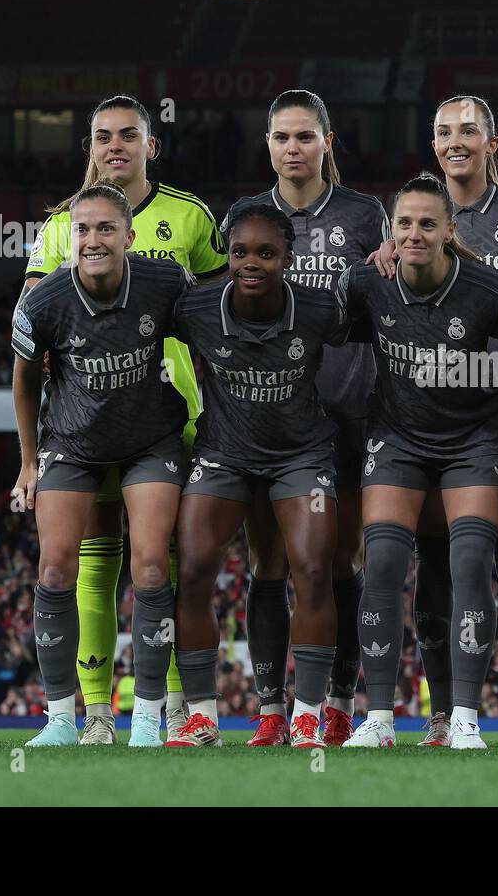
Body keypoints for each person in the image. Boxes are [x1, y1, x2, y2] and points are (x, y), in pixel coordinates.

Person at [21, 94, 227, 745]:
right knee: (85, 563)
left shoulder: (190, 216)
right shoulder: (58, 227)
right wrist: (29, 458)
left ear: (149, 145)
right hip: (80, 428)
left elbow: (220, 319)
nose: (115, 145)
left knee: (161, 563)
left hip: (169, 422)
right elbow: (32, 337)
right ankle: (86, 714)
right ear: (90, 147)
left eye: (127, 135)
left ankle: (165, 710)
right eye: (102, 136)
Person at [369, 95, 498, 746]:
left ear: (492, 143)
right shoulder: (412, 217)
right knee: (435, 563)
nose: (455, 141)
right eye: (443, 131)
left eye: (469, 130)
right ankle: (444, 712)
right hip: (425, 416)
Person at [335, 173, 498, 749]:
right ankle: (381, 719)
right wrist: (354, 272)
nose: (413, 233)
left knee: (470, 562)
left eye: (426, 223)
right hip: (397, 438)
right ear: (390, 231)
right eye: (404, 223)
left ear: (449, 229)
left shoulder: (489, 290)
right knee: (384, 564)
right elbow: (332, 326)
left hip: (474, 440)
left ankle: (465, 719)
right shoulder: (370, 282)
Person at [10, 182, 192, 748]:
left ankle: (146, 717)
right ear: (71, 240)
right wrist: (27, 462)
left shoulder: (165, 283)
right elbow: (21, 380)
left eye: (106, 228)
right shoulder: (43, 302)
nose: (94, 239)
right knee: (56, 568)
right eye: (84, 229)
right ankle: (64, 719)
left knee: (152, 567)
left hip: (151, 441)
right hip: (73, 442)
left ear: (129, 237)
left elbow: (210, 344)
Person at [166, 201, 350, 750]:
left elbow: (378, 327)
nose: (251, 263)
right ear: (225, 255)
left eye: (266, 253)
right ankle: (201, 717)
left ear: (289, 258)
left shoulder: (321, 310)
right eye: (240, 251)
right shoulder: (196, 307)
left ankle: (307, 717)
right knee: (195, 569)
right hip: (224, 455)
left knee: (313, 569)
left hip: (303, 458)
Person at [244, 90, 389, 747]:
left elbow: (387, 301)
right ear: (269, 146)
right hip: (268, 418)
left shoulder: (364, 214)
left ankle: (335, 701)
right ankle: (271, 707)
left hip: (350, 414)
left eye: (305, 137)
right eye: (282, 138)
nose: (293, 149)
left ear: (328, 141)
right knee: (268, 564)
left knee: (337, 562)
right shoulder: (247, 218)